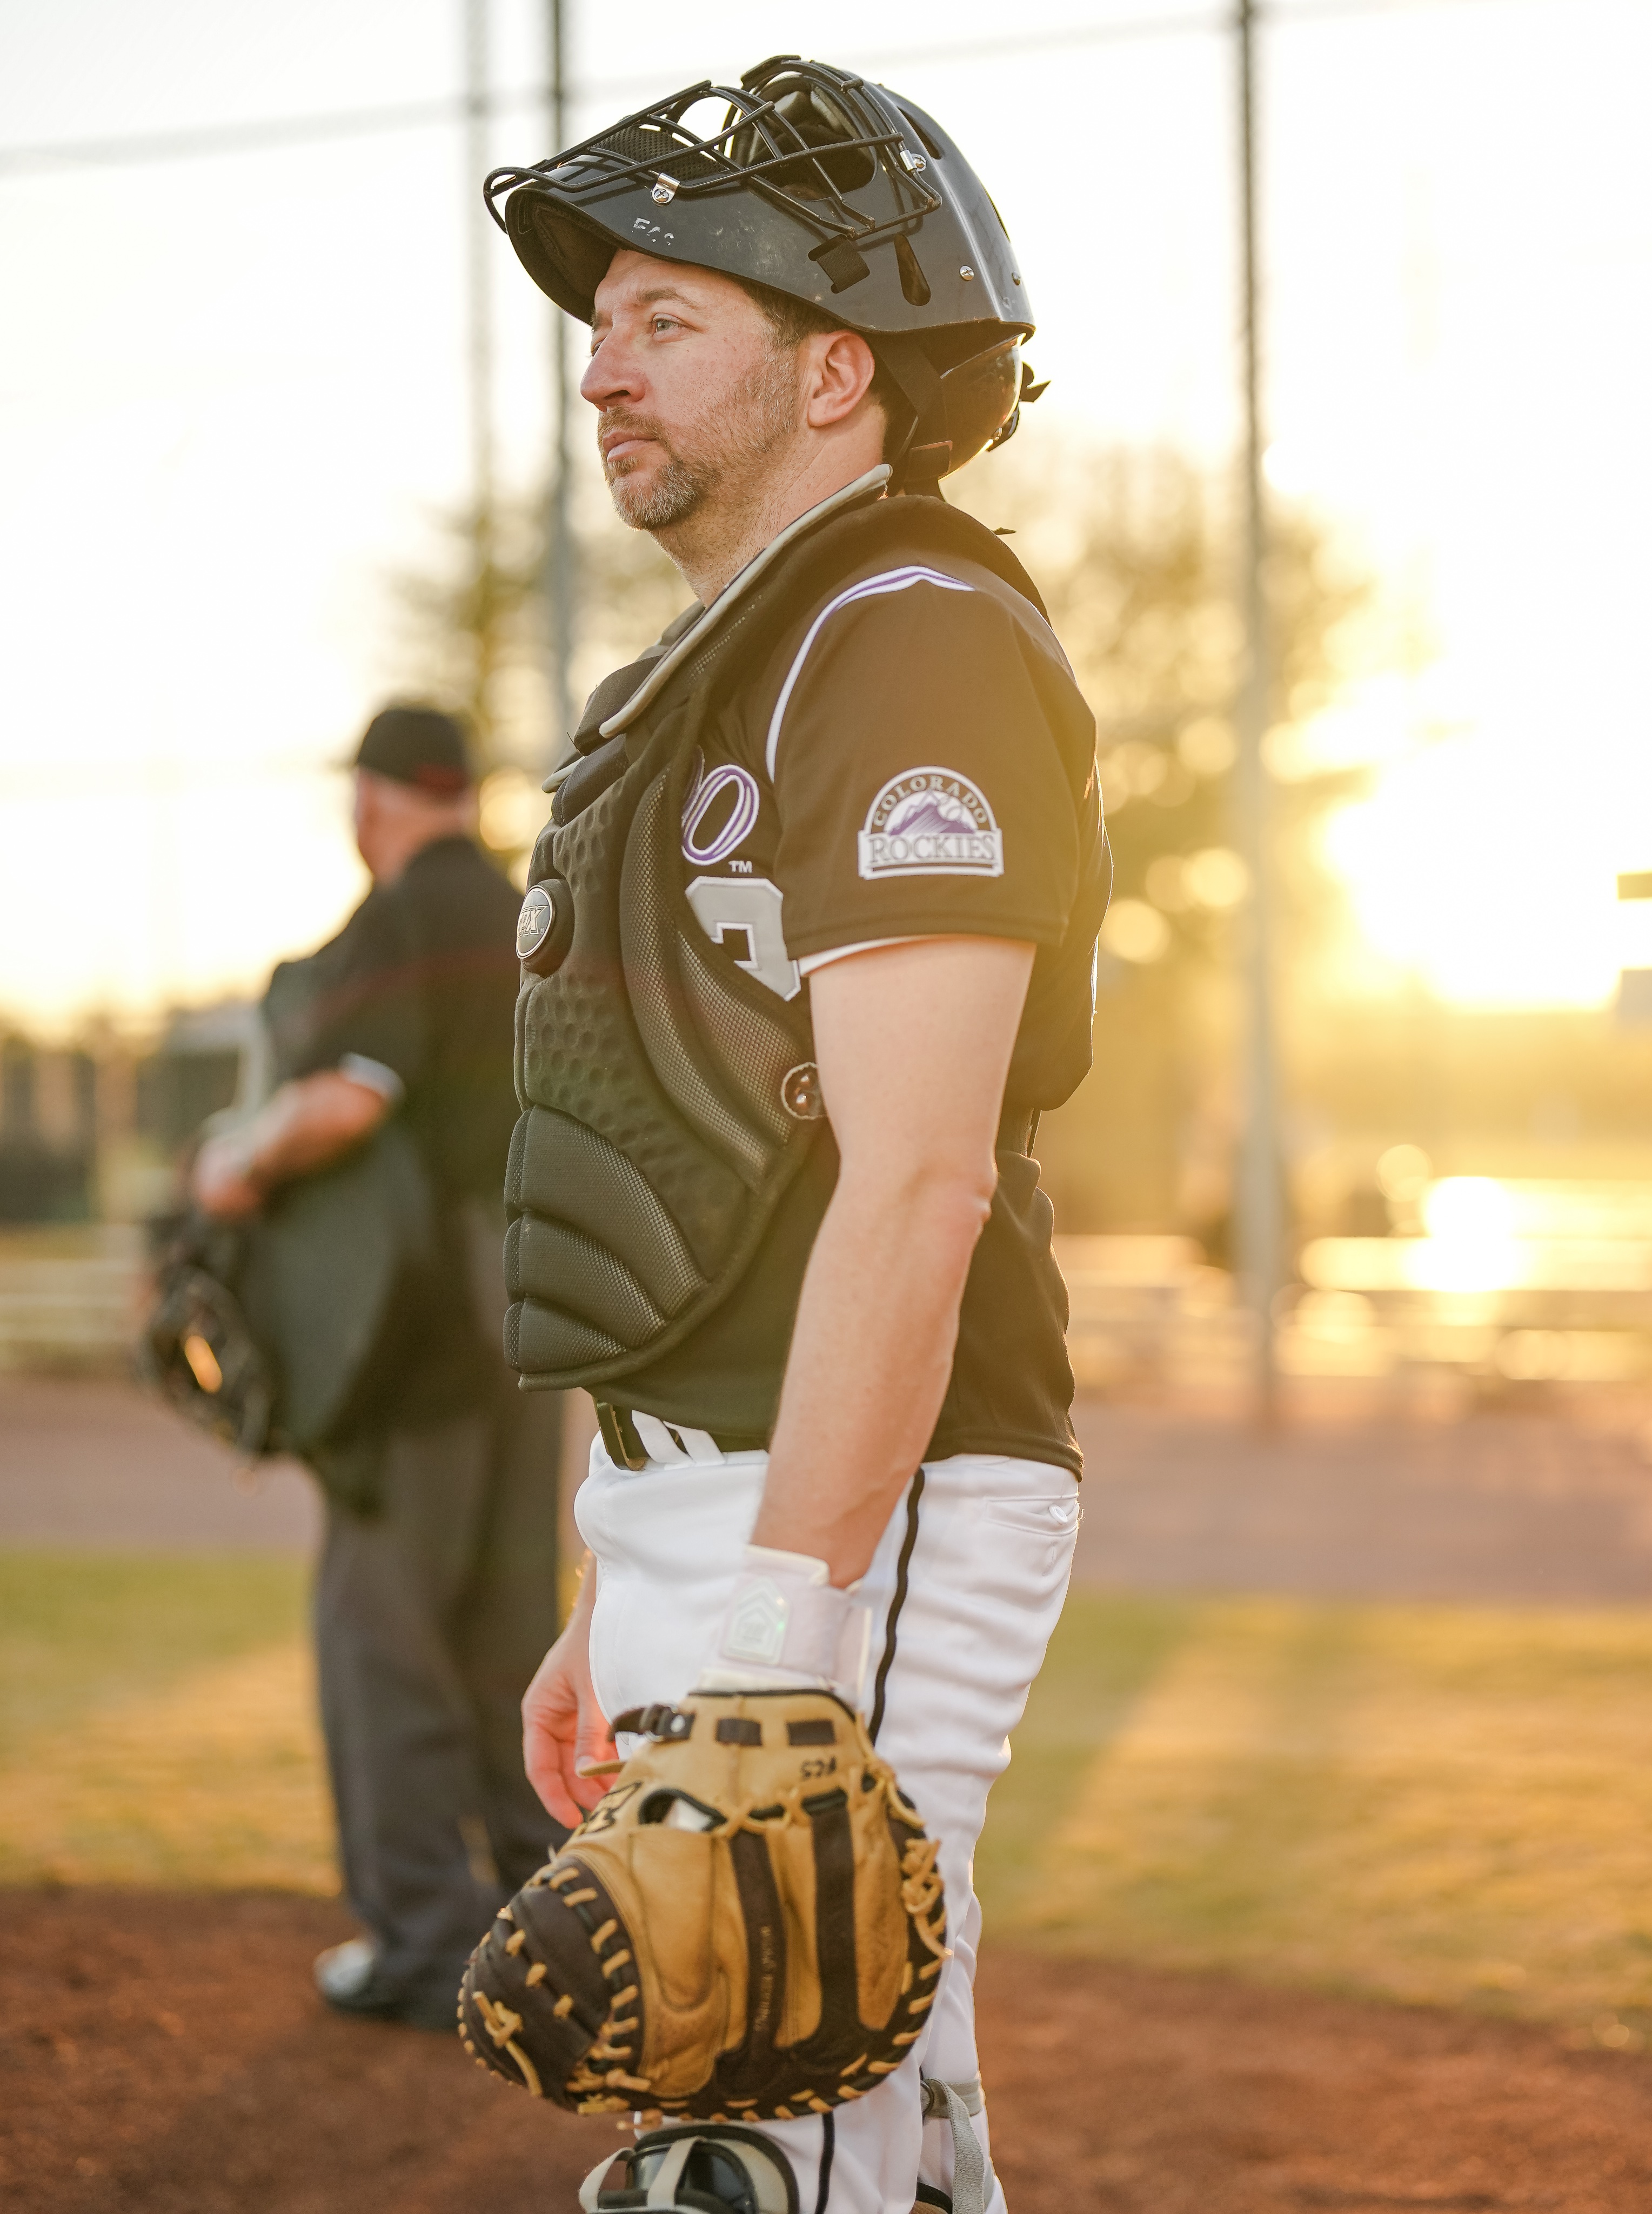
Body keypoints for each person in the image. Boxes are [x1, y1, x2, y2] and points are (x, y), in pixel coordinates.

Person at [488, 58, 1109, 2213]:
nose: (604, 367)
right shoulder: (694, 682)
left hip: (860, 1494)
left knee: (755, 2130)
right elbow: (655, 1176)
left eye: (669, 316)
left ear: (836, 368)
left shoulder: (910, 636)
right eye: (603, 326)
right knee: (872, 2128)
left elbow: (918, 1178)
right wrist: (603, 1581)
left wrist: (777, 1633)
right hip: (711, 1495)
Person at [192, 705, 564, 2032]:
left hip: (420, 1325)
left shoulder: (409, 911)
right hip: (537, 1310)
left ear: (372, 802)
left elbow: (350, 1097)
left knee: (378, 1627)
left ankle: (420, 1940)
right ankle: (544, 1922)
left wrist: (234, 1159)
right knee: (511, 1626)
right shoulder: (527, 912)